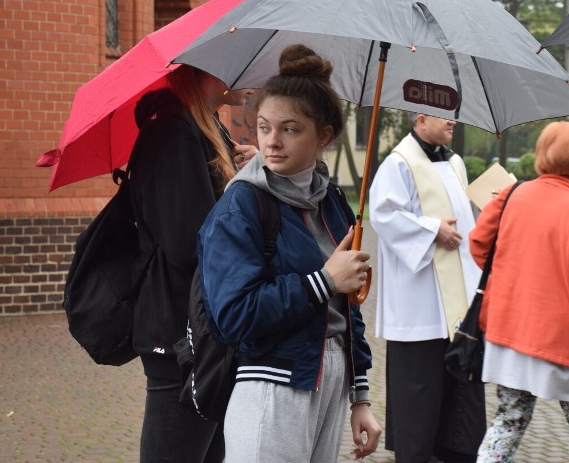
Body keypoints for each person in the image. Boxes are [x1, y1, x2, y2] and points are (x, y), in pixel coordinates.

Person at [197, 44, 381, 462]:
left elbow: (348, 305)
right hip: (273, 381)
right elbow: (234, 315)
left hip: (329, 379)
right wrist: (323, 282)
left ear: (325, 135)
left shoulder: (332, 201)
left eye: (290, 129)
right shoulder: (242, 205)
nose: (271, 142)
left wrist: (360, 397)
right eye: (263, 127)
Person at [129, 65, 257, 462]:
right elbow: (188, 242)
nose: (252, 80)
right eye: (242, 66)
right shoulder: (174, 133)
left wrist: (252, 172)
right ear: (214, 71)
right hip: (180, 336)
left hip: (204, 331)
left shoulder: (205, 130)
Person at [470, 121, 569, 463]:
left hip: (508, 335)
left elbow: (479, 246)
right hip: (565, 345)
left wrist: (511, 281)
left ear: (541, 153)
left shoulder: (510, 195)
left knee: (508, 421)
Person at [369, 113, 486, 463]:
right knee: (418, 403)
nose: (454, 122)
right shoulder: (398, 164)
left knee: (457, 405)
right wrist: (432, 229)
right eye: (445, 116)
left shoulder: (455, 163)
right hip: (418, 310)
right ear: (420, 119)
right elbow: (384, 215)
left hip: (455, 311)